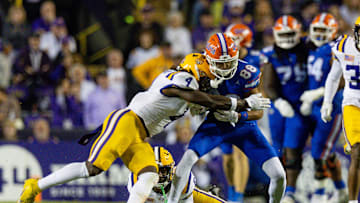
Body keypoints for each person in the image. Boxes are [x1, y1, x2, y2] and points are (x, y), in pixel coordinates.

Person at [18, 51, 270, 203]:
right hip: (126, 122)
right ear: (195, 71)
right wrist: (240, 102)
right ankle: (35, 186)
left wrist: (235, 112)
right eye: (205, 76)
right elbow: (198, 98)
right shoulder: (177, 80)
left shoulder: (192, 87)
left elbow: (206, 104)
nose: (207, 82)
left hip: (141, 135)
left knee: (149, 175)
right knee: (93, 168)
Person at [168, 33, 285, 203]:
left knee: (279, 175)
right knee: (186, 162)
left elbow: (259, 111)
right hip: (215, 126)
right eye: (220, 64)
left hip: (244, 127)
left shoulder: (246, 73)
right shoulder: (198, 67)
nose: (225, 68)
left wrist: (238, 115)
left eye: (229, 62)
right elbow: (174, 78)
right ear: (208, 59)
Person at [261, 15, 309, 203]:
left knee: (292, 148)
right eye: (284, 33)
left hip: (299, 105)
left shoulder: (307, 49)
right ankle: (277, 189)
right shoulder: (269, 54)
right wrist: (279, 101)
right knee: (277, 149)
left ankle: (290, 191)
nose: (288, 37)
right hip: (278, 106)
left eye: (291, 33)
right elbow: (268, 83)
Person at [301, 13, 347, 203]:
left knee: (319, 151)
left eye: (323, 30)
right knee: (325, 153)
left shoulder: (335, 49)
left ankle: (320, 194)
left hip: (331, 106)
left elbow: (342, 79)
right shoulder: (310, 47)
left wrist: (317, 94)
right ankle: (341, 190)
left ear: (333, 31)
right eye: (317, 30)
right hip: (313, 107)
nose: (319, 34)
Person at [219, 23, 260, 202]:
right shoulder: (223, 57)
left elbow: (261, 87)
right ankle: (232, 190)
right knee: (227, 156)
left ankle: (238, 197)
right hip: (224, 106)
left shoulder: (255, 60)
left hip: (246, 107)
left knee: (240, 153)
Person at [321, 16, 360, 203]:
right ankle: (353, 201)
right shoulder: (343, 46)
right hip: (353, 103)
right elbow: (334, 77)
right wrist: (327, 102)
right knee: (357, 152)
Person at [127, 146, 226, 202]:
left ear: (171, 171)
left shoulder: (181, 181)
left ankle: (212, 194)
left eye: (163, 171)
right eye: (156, 170)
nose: (160, 175)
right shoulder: (137, 181)